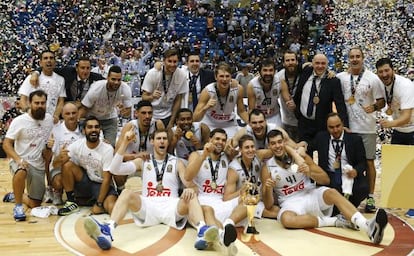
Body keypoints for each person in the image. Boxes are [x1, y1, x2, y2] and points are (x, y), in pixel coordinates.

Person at [83, 129, 219, 251]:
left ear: (168, 142)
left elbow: (191, 184)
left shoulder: (176, 162)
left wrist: (191, 190)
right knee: (126, 193)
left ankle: (202, 231)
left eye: (165, 139)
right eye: (158, 138)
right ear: (152, 141)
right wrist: (124, 142)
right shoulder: (143, 160)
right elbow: (114, 169)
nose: (162, 141)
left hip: (171, 206)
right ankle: (108, 230)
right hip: (148, 206)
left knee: (190, 195)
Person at [261, 129, 388, 245]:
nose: (277, 146)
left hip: (309, 193)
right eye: (273, 143)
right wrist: (268, 188)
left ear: (284, 142)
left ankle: (368, 226)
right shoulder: (267, 168)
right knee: (286, 220)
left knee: (332, 192)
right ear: (269, 146)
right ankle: (335, 221)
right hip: (290, 202)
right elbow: (268, 205)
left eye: (279, 142)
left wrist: (309, 172)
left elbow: (325, 179)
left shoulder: (301, 157)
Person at [336, 47, 385, 213]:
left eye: (358, 56)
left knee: (369, 161)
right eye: (352, 57)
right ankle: (348, 193)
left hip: (367, 128)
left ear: (363, 58)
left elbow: (382, 101)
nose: (355, 59)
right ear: (348, 58)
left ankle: (370, 196)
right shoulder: (341, 77)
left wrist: (375, 106)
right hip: (348, 128)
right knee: (347, 162)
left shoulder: (373, 78)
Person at [185, 128, 246, 254]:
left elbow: (242, 132)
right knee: (208, 210)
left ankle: (229, 223)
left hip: (222, 201)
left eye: (223, 140)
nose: (220, 142)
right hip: (203, 202)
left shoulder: (227, 156)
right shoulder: (197, 155)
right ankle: (222, 234)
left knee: (249, 200)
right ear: (209, 140)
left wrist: (231, 144)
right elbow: (187, 177)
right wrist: (204, 155)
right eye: (217, 139)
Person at [2, 90, 54, 221]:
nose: (40, 106)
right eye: (37, 103)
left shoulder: (49, 120)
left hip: (38, 164)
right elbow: (6, 144)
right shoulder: (19, 121)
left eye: (43, 103)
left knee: (35, 204)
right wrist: (18, 159)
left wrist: (49, 146)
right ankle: (18, 206)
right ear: (30, 103)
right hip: (21, 161)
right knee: (21, 170)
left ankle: (15, 195)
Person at [376, 57, 414, 218]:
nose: (384, 74)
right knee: (399, 168)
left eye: (387, 70)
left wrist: (389, 124)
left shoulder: (405, 85)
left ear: (393, 70)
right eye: (381, 72)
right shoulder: (382, 85)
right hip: (400, 130)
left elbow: (406, 117)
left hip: (412, 129)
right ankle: (403, 200)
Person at [57, 116, 117, 216]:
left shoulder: (107, 149)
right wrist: (59, 157)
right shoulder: (77, 145)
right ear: (84, 131)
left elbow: (107, 179)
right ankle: (71, 202)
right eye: (90, 127)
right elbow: (57, 164)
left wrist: (99, 204)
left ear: (100, 130)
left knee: (112, 208)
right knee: (67, 165)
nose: (93, 130)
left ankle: (95, 201)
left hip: (101, 185)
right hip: (86, 182)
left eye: (96, 127)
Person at [311, 113, 369, 209]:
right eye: (331, 127)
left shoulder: (355, 139)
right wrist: (302, 144)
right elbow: (309, 146)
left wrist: (355, 171)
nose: (335, 130)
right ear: (327, 127)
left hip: (348, 175)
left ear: (342, 124)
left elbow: (363, 163)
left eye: (338, 126)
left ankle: (350, 207)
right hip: (330, 175)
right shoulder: (321, 137)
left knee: (363, 187)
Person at [293, 53, 349, 143]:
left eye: (323, 63)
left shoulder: (333, 81)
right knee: (304, 152)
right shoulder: (306, 71)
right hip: (303, 123)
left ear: (327, 65)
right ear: (312, 63)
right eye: (317, 63)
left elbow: (340, 104)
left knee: (321, 153)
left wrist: (345, 124)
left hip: (322, 126)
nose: (320, 66)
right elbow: (291, 66)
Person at [113, 100, 164, 192]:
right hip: (132, 162)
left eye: (150, 113)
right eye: (143, 113)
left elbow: (164, 151)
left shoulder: (157, 125)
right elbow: (117, 154)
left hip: (151, 163)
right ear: (136, 113)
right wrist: (136, 156)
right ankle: (121, 191)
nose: (147, 116)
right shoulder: (130, 126)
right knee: (116, 169)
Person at [224, 134, 279, 219]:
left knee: (280, 203)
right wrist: (241, 191)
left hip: (256, 195)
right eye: (246, 147)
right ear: (240, 150)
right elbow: (226, 198)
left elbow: (277, 149)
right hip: (243, 201)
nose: (250, 150)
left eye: (252, 147)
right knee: (275, 212)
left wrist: (296, 152)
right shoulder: (234, 169)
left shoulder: (258, 156)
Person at [78, 65, 132, 147]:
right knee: (90, 144)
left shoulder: (125, 89)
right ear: (107, 78)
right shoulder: (96, 89)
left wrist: (124, 112)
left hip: (109, 117)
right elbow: (84, 108)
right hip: (93, 117)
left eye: (119, 80)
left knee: (110, 146)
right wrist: (79, 125)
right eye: (113, 79)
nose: (116, 82)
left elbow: (128, 112)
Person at [43, 102, 84, 205]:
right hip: (59, 168)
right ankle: (56, 190)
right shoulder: (55, 131)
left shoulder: (84, 129)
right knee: (59, 181)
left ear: (78, 113)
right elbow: (48, 160)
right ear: (62, 114)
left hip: (80, 168)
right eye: (68, 113)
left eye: (74, 113)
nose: (71, 116)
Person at [193, 62, 248, 138]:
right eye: (221, 76)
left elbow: (241, 111)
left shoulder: (238, 89)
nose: (224, 79)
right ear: (216, 77)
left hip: (228, 123)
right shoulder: (207, 91)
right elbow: (195, 118)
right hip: (209, 123)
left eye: (227, 76)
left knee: (232, 146)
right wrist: (206, 107)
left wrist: (251, 123)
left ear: (231, 77)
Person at [141, 48, 188, 129]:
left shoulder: (181, 75)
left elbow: (178, 100)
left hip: (168, 114)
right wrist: (152, 96)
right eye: (169, 61)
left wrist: (171, 122)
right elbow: (143, 97)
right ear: (163, 61)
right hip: (151, 113)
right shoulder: (153, 73)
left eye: (175, 62)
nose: (172, 64)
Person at [31, 56, 105, 106]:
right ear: (76, 68)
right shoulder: (68, 72)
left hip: (86, 109)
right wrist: (35, 73)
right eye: (82, 68)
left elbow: (109, 83)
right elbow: (48, 69)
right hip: (66, 107)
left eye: (88, 68)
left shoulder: (96, 78)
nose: (85, 71)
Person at [19, 50, 66, 124]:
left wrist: (56, 115)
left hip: (50, 121)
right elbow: (22, 99)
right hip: (32, 120)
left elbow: (61, 101)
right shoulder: (31, 78)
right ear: (40, 63)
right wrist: (29, 112)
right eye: (45, 58)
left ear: (55, 62)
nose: (49, 60)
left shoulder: (60, 79)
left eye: (51, 58)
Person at [230, 109, 305, 151]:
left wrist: (301, 147)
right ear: (249, 123)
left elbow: (295, 147)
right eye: (254, 123)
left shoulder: (277, 131)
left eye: (261, 122)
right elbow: (229, 146)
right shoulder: (244, 132)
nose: (258, 126)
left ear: (266, 122)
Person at [246, 58, 282, 126]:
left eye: (271, 70)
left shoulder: (279, 81)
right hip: (258, 118)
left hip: (275, 115)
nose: (268, 73)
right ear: (259, 72)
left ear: (275, 72)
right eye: (265, 70)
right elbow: (251, 109)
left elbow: (287, 98)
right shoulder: (252, 85)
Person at [279, 50, 301, 142]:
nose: (290, 63)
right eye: (287, 60)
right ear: (283, 63)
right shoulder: (279, 76)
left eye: (292, 60)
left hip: (302, 121)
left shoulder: (304, 73)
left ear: (297, 61)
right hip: (287, 121)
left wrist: (329, 72)